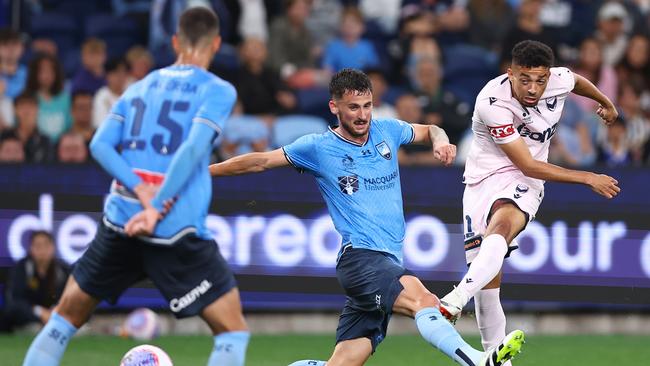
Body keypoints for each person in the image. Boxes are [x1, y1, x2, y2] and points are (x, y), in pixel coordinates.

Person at [209, 68, 525, 366]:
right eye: (353, 108)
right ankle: (477, 360)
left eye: (367, 105)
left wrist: (440, 140)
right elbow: (261, 161)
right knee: (425, 301)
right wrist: (204, 172)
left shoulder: (386, 130)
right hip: (362, 260)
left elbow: (430, 129)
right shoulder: (319, 147)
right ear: (334, 107)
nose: (362, 115)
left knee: (343, 362)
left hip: (385, 262)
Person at [22, 7, 250, 366]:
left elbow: (99, 144)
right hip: (175, 229)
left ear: (175, 42)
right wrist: (156, 205)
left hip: (120, 223)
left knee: (62, 320)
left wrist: (140, 191)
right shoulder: (218, 90)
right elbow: (191, 149)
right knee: (232, 331)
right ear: (217, 43)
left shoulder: (139, 86)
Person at [438, 40, 620, 360]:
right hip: (483, 180)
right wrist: (588, 177)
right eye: (525, 79)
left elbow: (577, 80)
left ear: (549, 76)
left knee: (502, 227)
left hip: (525, 182)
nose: (533, 88)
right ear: (511, 74)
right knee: (487, 286)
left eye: (540, 80)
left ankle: (453, 300)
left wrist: (606, 102)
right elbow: (527, 161)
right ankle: (498, 359)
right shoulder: (491, 102)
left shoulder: (559, 79)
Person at [2, 231, 69, 332]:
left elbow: (71, 298)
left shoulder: (63, 270)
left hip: (57, 319)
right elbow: (13, 302)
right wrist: (39, 312)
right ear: (31, 249)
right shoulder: (21, 269)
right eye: (38, 246)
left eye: (46, 245)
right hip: (27, 321)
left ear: (53, 248)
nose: (42, 250)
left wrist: (54, 313)